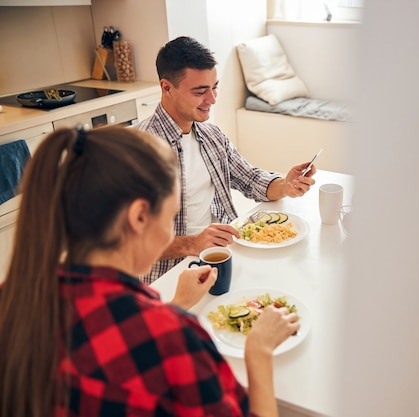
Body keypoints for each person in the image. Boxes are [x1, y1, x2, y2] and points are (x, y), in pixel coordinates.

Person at [0, 126, 300, 417]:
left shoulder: (14, 295)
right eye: (171, 216)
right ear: (140, 216)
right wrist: (258, 350)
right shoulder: (175, 339)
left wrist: (175, 304)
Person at [136, 36, 317, 284]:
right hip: (165, 278)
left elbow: (251, 179)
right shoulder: (137, 151)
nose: (212, 99)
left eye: (215, 87)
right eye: (200, 91)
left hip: (220, 259)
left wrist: (285, 185)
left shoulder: (212, 136)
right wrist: (193, 244)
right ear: (167, 88)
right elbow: (129, 242)